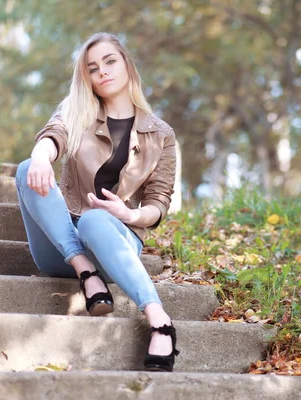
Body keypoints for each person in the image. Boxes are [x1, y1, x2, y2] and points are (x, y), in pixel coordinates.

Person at [14, 32, 179, 372]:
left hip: (113, 243)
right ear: (86, 78)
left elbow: (159, 202)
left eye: (109, 61)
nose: (102, 71)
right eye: (92, 68)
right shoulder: (78, 112)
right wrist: (42, 155)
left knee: (95, 220)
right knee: (29, 168)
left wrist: (128, 213)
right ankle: (86, 274)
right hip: (61, 250)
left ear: (127, 65)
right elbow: (54, 135)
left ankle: (160, 320)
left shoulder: (161, 134)